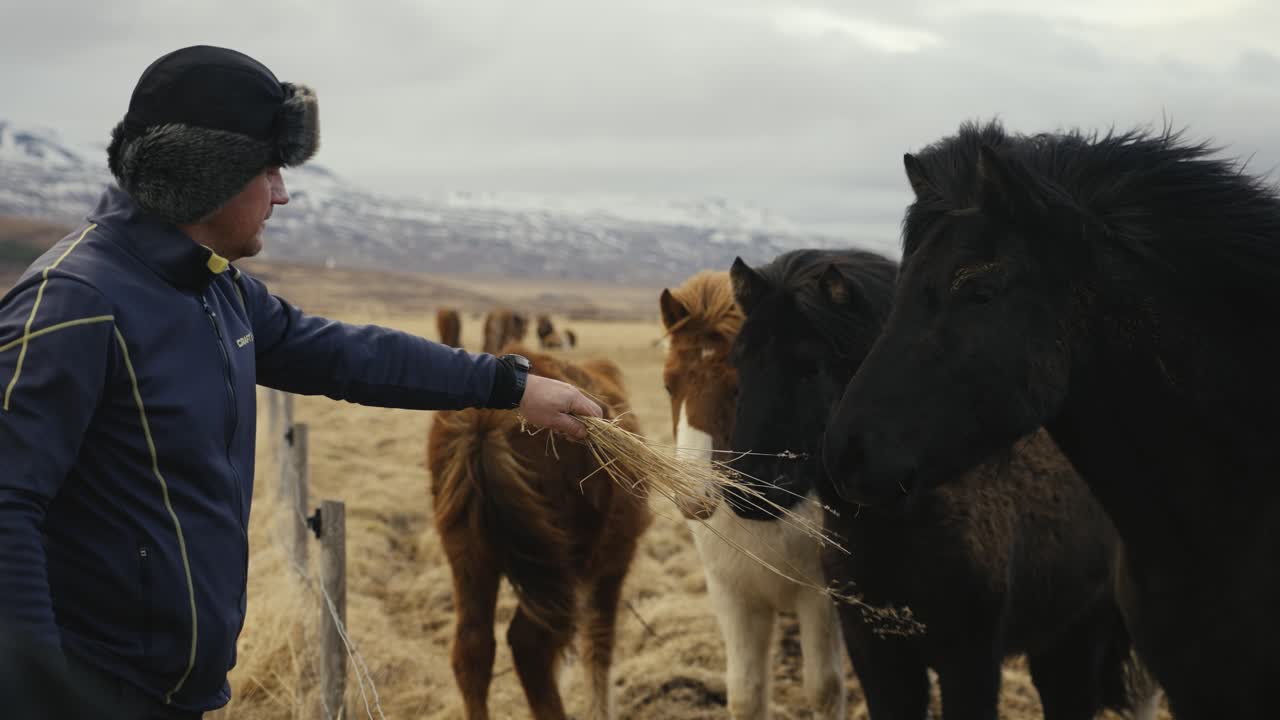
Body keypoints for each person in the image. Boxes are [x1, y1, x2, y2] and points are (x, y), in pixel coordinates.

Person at [0, 45, 602, 719]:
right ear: (207, 175)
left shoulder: (211, 287)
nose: (283, 193)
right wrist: (38, 692)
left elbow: (345, 354)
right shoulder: (77, 300)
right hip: (92, 693)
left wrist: (508, 385)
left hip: (173, 691)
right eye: (269, 168)